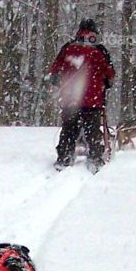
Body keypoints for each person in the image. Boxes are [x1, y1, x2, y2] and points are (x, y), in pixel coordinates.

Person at [49, 18, 114, 171]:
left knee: (69, 128)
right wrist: (105, 83)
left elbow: (55, 72)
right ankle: (94, 159)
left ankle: (64, 157)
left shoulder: (68, 48)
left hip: (70, 98)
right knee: (92, 130)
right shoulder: (100, 50)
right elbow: (109, 73)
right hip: (93, 99)